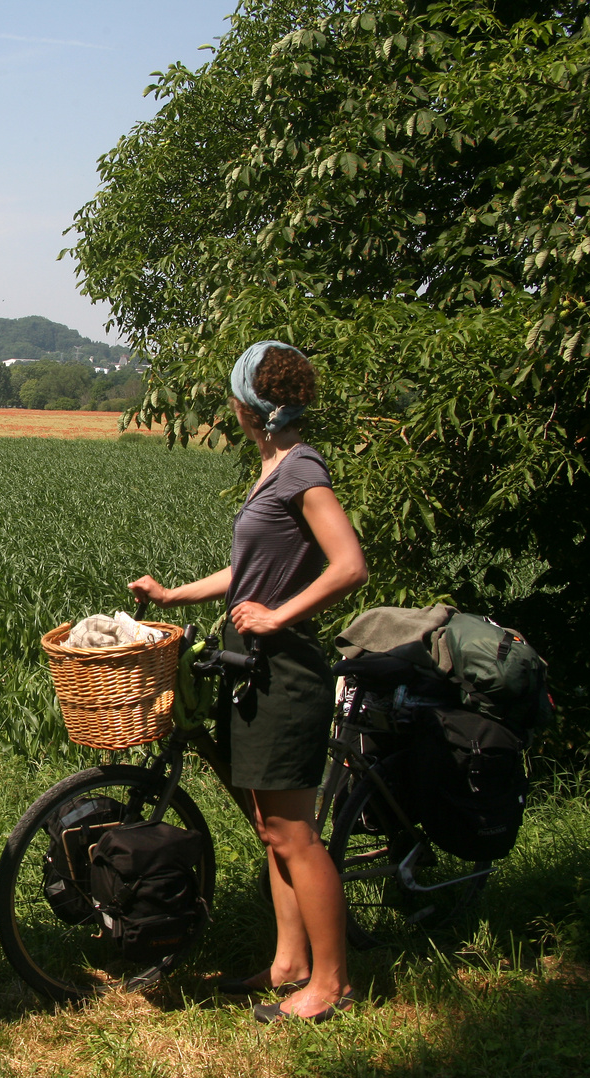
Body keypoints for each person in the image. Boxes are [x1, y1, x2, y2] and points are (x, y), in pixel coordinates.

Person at [128, 340, 368, 1024]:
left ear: (248, 405)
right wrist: (174, 595)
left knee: (295, 832)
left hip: (287, 667)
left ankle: (331, 984)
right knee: (271, 825)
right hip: (253, 664)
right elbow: (249, 576)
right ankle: (289, 964)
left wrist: (277, 617)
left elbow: (349, 564)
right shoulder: (273, 469)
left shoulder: (302, 471)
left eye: (231, 393)